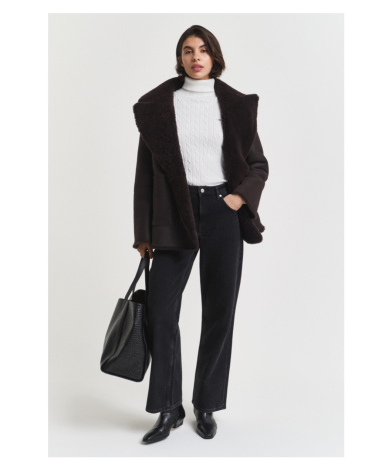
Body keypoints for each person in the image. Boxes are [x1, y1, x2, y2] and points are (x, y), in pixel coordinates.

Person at [132, 25, 269, 444]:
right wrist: (142, 232)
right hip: (174, 213)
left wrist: (237, 199)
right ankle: (168, 407)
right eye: (188, 50)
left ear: (214, 57)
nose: (196, 57)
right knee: (161, 311)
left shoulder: (236, 106)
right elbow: (144, 175)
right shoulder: (158, 107)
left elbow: (258, 165)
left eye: (204, 50)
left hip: (222, 211)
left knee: (219, 310)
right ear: (180, 58)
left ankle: (206, 404)